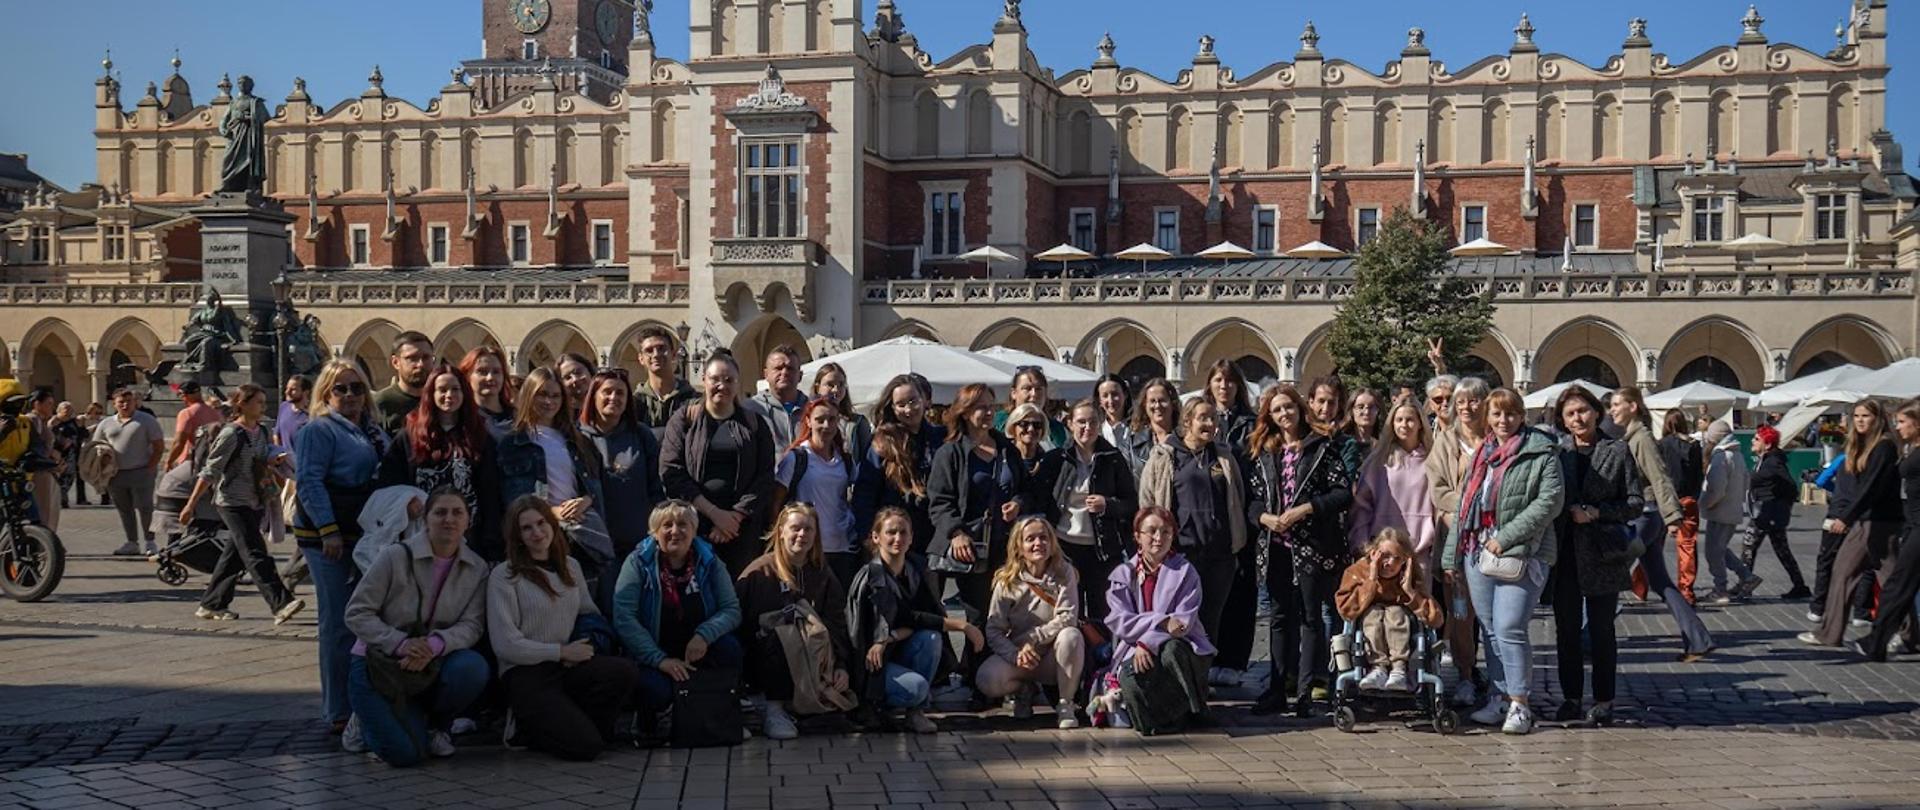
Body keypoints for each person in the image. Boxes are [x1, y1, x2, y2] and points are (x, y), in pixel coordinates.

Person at [1442, 388, 1564, 735]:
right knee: (1491, 629)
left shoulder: (1541, 452)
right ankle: (1498, 697)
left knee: (1510, 627)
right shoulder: (1483, 454)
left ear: (1521, 416)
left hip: (1523, 551)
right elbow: (1464, 507)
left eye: (1510, 413)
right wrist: (1451, 556)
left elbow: (1550, 501)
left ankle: (1520, 703)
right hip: (1476, 552)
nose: (1503, 420)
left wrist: (1506, 537)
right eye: (1496, 414)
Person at [344, 489, 491, 766]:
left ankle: (435, 726)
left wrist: (434, 645)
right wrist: (401, 644)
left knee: (471, 667)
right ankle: (364, 721)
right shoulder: (394, 556)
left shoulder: (477, 568)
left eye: (457, 513)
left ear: (468, 521)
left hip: (429, 662)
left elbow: (472, 625)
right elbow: (357, 613)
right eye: (440, 512)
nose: (449, 519)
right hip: (378, 662)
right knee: (405, 755)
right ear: (425, 519)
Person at [488, 496, 638, 761]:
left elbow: (588, 613)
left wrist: (584, 646)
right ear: (517, 535)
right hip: (526, 673)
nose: (537, 532)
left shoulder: (571, 567)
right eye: (526, 528)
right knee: (585, 748)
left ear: (552, 524)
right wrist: (560, 652)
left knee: (622, 672)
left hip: (566, 666)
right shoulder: (504, 575)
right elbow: (506, 645)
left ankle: (580, 727)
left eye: (541, 523)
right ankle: (527, 729)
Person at [293, 360, 390, 745]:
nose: (350, 395)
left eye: (357, 388)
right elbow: (309, 481)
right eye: (341, 389)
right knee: (337, 622)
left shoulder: (370, 430)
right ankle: (337, 709)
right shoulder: (318, 430)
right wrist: (328, 529)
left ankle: (363, 698)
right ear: (325, 393)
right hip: (329, 539)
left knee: (362, 618)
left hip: (361, 533)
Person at [1245, 385, 1353, 716]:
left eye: (1289, 407)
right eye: (1277, 410)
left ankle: (1306, 692)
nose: (1284, 414)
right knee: (1279, 618)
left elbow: (1342, 493)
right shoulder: (1265, 451)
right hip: (1276, 546)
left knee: (1310, 617)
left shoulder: (1321, 446)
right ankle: (1277, 689)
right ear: (1269, 416)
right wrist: (1265, 517)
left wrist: (1306, 509)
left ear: (1300, 409)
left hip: (1313, 546)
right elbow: (1252, 499)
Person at [1549, 385, 1641, 726]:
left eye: (1583, 411)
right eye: (1570, 413)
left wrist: (1596, 512)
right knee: (1566, 629)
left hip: (1603, 552)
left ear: (1597, 413)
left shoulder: (1616, 450)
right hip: (1565, 553)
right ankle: (1571, 697)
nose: (1578, 418)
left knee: (1602, 630)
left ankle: (1604, 700)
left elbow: (1635, 502)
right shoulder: (1557, 453)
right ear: (1562, 420)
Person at [845, 506, 983, 733]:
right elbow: (904, 618)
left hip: (896, 650)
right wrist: (961, 625)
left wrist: (890, 638)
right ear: (876, 537)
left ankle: (915, 713)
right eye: (891, 532)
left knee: (931, 638)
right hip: (871, 665)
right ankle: (876, 705)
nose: (897, 538)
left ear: (911, 538)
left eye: (903, 532)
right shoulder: (872, 576)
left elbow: (919, 620)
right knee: (918, 688)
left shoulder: (914, 570)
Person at [612, 500, 744, 734]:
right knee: (655, 691)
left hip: (697, 649)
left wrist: (704, 635)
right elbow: (624, 618)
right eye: (667, 525)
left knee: (729, 649)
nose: (675, 531)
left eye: (683, 524)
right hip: (654, 654)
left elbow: (731, 609)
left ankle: (721, 715)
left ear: (694, 531)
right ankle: (649, 719)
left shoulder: (710, 561)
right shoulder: (637, 563)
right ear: (654, 532)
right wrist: (660, 660)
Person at [181, 384, 305, 624]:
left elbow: (263, 455)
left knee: (235, 556)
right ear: (243, 404)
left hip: (255, 500)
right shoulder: (231, 434)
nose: (263, 406)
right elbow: (210, 471)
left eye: (264, 402)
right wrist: (190, 504)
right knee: (255, 553)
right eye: (258, 402)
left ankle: (212, 603)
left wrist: (274, 457)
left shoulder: (261, 430)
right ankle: (280, 603)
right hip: (232, 502)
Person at [929, 383, 1030, 678]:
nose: (987, 413)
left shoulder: (1006, 449)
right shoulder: (950, 452)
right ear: (964, 412)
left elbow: (1027, 489)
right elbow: (939, 502)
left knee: (999, 614)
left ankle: (986, 676)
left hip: (1003, 545)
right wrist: (955, 533)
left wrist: (1017, 503)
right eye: (980, 407)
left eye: (991, 407)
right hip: (968, 547)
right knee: (976, 613)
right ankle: (973, 679)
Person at [1607, 387, 1715, 661]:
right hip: (1648, 515)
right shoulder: (1631, 436)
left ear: (1633, 406)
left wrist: (1673, 516)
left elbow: (1659, 476)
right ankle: (1698, 640)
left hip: (1644, 515)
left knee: (1609, 572)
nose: (1612, 410)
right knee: (1660, 581)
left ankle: (1588, 638)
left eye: (1617, 404)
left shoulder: (1641, 438)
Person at [737, 503, 855, 740]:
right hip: (767, 660)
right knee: (783, 635)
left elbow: (836, 621)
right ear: (781, 531)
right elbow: (740, 624)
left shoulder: (822, 573)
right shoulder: (760, 572)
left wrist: (841, 665)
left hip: (814, 660)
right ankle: (773, 709)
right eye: (795, 528)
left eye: (808, 529)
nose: (802, 535)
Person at [1138, 398, 1246, 655]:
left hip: (1219, 554)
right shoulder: (1165, 455)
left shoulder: (1223, 456)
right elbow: (1147, 501)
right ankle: (1179, 672)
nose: (1210, 423)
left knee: (1210, 620)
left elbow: (1238, 498)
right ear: (1187, 422)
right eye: (1203, 418)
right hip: (1180, 554)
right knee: (1180, 619)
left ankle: (1203, 673)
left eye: (1214, 418)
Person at [660, 352, 776, 577]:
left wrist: (735, 517)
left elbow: (765, 476)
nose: (721, 386)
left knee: (740, 589)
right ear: (704, 380)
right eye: (715, 379)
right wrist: (714, 514)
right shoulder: (684, 419)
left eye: (729, 380)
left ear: (737, 383)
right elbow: (671, 471)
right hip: (693, 526)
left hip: (741, 531)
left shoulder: (754, 424)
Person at [377, 362, 505, 562]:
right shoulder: (410, 437)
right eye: (442, 390)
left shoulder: (479, 436)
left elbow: (490, 493)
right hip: (419, 536)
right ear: (431, 394)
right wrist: (406, 501)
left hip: (469, 539)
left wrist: (492, 544)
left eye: (455, 389)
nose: (449, 395)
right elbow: (389, 480)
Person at [1801, 400, 1904, 648]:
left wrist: (1845, 517)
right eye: (1856, 416)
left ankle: (1909, 633)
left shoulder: (1884, 447)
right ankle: (1830, 633)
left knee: (1890, 580)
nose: (1860, 420)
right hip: (1866, 521)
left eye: (1865, 416)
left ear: (1877, 418)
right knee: (1844, 573)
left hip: (1879, 522)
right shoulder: (1864, 446)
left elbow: (1871, 488)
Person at [1103, 507, 1215, 733]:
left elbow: (1182, 623)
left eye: (1166, 532)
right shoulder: (1123, 574)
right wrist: (1160, 622)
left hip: (1183, 645)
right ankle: (1156, 723)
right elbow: (1119, 620)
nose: (1158, 538)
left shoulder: (1186, 572)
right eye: (1151, 531)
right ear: (1137, 536)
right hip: (1134, 646)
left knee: (1172, 652)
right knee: (1130, 678)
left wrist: (1149, 641)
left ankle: (1193, 709)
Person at [497, 367, 611, 588]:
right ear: (529, 395)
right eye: (542, 394)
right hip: (538, 534)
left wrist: (586, 500)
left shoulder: (578, 440)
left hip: (578, 534)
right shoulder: (513, 443)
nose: (549, 401)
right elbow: (514, 498)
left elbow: (596, 485)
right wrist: (552, 512)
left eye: (555, 395)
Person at [1036, 400, 1137, 639]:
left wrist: (1108, 505)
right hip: (1064, 547)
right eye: (1081, 422)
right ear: (1070, 424)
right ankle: (1073, 659)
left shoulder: (1113, 458)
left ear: (1100, 425)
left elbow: (1131, 503)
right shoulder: (1056, 459)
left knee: (1102, 613)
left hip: (1102, 549)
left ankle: (1101, 660)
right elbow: (1040, 501)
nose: (1087, 428)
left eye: (1092, 422)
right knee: (1068, 612)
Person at [977, 517, 1086, 728]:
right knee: (986, 679)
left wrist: (1032, 638)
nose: (1038, 544)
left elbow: (1067, 617)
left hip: (1055, 656)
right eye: (1030, 539)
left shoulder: (1065, 573)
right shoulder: (1006, 581)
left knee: (1071, 636)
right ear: (1019, 546)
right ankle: (1023, 691)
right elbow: (994, 629)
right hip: (1021, 656)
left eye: (1043, 538)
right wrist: (1015, 654)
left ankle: (1066, 703)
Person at [1427, 376, 1490, 702]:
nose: (1466, 407)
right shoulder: (1446, 442)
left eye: (1474, 400)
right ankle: (1465, 674)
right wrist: (1468, 511)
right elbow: (1438, 489)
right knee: (1461, 612)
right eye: (1461, 402)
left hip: (1494, 538)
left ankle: (1501, 681)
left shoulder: (1496, 440)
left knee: (1494, 615)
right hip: (1455, 540)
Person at [1335, 528, 1442, 692]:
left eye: (1397, 558)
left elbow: (1436, 620)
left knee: (1395, 612)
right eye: (1385, 555)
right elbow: (1346, 610)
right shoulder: (1358, 571)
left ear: (1405, 560)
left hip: (1401, 626)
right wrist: (1371, 579)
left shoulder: (1409, 575)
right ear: (1374, 553)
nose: (1390, 563)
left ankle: (1399, 668)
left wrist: (1410, 591)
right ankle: (1378, 668)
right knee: (1374, 613)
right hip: (1369, 627)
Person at [577, 369, 664, 572]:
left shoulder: (641, 435)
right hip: (593, 546)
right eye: (607, 392)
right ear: (593, 396)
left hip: (639, 545)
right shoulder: (578, 438)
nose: (613, 397)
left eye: (620, 393)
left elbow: (657, 487)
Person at [1855, 399, 1920, 661]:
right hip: (1912, 524)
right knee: (1901, 586)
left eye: (1903, 422)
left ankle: (1876, 642)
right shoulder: (1911, 448)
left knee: (1898, 585)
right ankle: (1878, 642)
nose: (1898, 427)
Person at [773, 398, 861, 589]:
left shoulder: (845, 460)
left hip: (843, 546)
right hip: (808, 546)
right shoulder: (796, 458)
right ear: (808, 421)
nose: (826, 425)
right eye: (820, 420)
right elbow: (776, 503)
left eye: (832, 419)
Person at [1349, 399, 1437, 576]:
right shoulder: (1379, 460)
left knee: (1418, 594)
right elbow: (1362, 505)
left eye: (1410, 419)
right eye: (1399, 420)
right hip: (1382, 552)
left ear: (1420, 423)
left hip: (1420, 552)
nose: (1404, 425)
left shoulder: (1432, 459)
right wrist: (1362, 543)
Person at [854, 374, 945, 545]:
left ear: (924, 400)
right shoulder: (882, 443)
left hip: (935, 535)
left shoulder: (941, 438)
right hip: (894, 537)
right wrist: (868, 536)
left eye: (913, 401)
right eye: (901, 405)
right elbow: (865, 494)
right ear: (892, 408)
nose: (908, 410)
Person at [94, 385, 166, 556]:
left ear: (134, 402)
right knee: (124, 509)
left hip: (141, 471)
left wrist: (151, 467)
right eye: (121, 402)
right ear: (114, 404)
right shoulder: (106, 423)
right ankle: (131, 542)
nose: (125, 405)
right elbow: (96, 445)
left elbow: (158, 446)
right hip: (116, 474)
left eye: (128, 401)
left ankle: (150, 542)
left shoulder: (146, 420)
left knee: (145, 508)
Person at [1698, 420, 1762, 603]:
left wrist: (1704, 503)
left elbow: (1716, 489)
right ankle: (1747, 576)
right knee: (1720, 549)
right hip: (1732, 510)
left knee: (1713, 553)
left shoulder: (1721, 457)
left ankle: (1721, 590)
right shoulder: (1737, 455)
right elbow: (1746, 483)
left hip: (1720, 512)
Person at [1745, 424, 1811, 599]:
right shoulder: (1766, 459)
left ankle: (1745, 584)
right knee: (1782, 550)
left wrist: (1779, 502)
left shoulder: (1773, 462)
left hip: (1766, 512)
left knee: (1748, 547)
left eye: (1757, 439)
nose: (1752, 441)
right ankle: (1800, 586)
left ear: (1767, 444)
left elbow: (1790, 485)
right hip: (1769, 513)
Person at [1656, 411, 1706, 603]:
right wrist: (1694, 496)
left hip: (1664, 499)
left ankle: (1641, 585)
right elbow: (1699, 475)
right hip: (1687, 499)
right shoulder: (1694, 445)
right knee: (1687, 546)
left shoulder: (1661, 444)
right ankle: (1686, 590)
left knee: (1652, 545)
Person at [632, 326, 699, 430]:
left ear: (673, 354)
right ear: (641, 359)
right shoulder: (635, 404)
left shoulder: (693, 400)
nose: (656, 354)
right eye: (649, 350)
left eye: (662, 348)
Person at [371, 331, 434, 436]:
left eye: (426, 357)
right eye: (412, 358)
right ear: (396, 362)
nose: (420, 364)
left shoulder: (441, 400)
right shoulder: (380, 404)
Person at [810, 362, 874, 464]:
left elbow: (868, 460)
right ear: (818, 387)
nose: (836, 390)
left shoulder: (857, 423)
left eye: (841, 385)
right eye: (830, 385)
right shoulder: (807, 419)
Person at [992, 367, 1068, 451]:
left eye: (1039, 389)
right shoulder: (995, 423)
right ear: (1014, 393)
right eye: (1027, 388)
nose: (1034, 394)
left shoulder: (1058, 430)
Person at [748, 344, 808, 451]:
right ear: (766, 374)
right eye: (778, 368)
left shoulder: (813, 409)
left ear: (800, 375)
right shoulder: (751, 409)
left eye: (790, 368)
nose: (784, 373)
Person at [1005, 402, 1054, 512]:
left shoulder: (1050, 461)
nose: (1031, 429)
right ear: (1013, 427)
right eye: (1024, 424)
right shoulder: (1003, 457)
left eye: (1037, 425)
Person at [459, 345, 517, 438]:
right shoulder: (460, 418)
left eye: (496, 372)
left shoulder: (519, 418)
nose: (490, 377)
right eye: (482, 372)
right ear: (467, 376)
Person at [1125, 378, 1181, 474]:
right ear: (1145, 405)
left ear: (1172, 403)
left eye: (1162, 400)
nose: (1157, 405)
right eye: (1152, 401)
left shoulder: (1186, 440)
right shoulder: (1131, 445)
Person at [164, 381, 222, 471]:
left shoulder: (187, 413)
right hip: (210, 460)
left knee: (171, 480)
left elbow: (179, 442)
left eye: (180, 395)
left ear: (184, 395)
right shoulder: (214, 413)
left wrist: (169, 461)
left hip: (191, 461)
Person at [26, 388, 61, 532]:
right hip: (39, 472)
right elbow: (37, 447)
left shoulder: (41, 421)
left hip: (45, 469)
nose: (52, 407)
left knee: (48, 510)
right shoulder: (34, 420)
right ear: (37, 404)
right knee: (43, 510)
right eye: (49, 403)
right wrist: (52, 457)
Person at [1203, 359, 1256, 453]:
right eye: (1218, 380)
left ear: (1238, 385)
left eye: (1229, 380)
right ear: (1210, 385)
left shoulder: (1252, 423)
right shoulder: (1200, 421)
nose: (1223, 386)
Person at [53, 401, 91, 507]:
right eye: (65, 408)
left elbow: (84, 434)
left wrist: (82, 427)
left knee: (71, 475)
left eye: (70, 409)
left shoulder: (75, 422)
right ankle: (61, 498)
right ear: (59, 410)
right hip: (59, 454)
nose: (68, 411)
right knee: (61, 476)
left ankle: (70, 498)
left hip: (74, 453)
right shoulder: (55, 421)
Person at [275, 374, 313, 451]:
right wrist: (279, 452)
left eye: (293, 389)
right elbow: (277, 434)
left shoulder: (312, 415)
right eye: (287, 388)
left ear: (305, 392)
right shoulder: (283, 407)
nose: (287, 392)